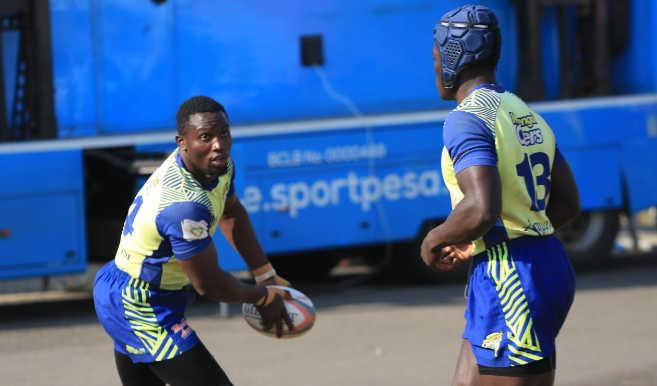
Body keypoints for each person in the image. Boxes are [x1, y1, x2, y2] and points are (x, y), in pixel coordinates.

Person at [420, 5, 581, 386]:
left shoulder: (467, 118)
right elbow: (568, 204)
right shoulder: (523, 112)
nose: (434, 66)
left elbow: (481, 208)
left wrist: (435, 238)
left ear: (454, 54)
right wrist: (482, 239)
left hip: (510, 276)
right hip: (539, 264)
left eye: (436, 55)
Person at [93, 96, 294, 386]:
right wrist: (263, 297)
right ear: (182, 142)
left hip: (142, 291)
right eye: (206, 137)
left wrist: (266, 275)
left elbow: (231, 211)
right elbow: (209, 284)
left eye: (223, 133)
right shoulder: (185, 206)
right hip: (138, 302)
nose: (218, 145)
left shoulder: (217, 165)